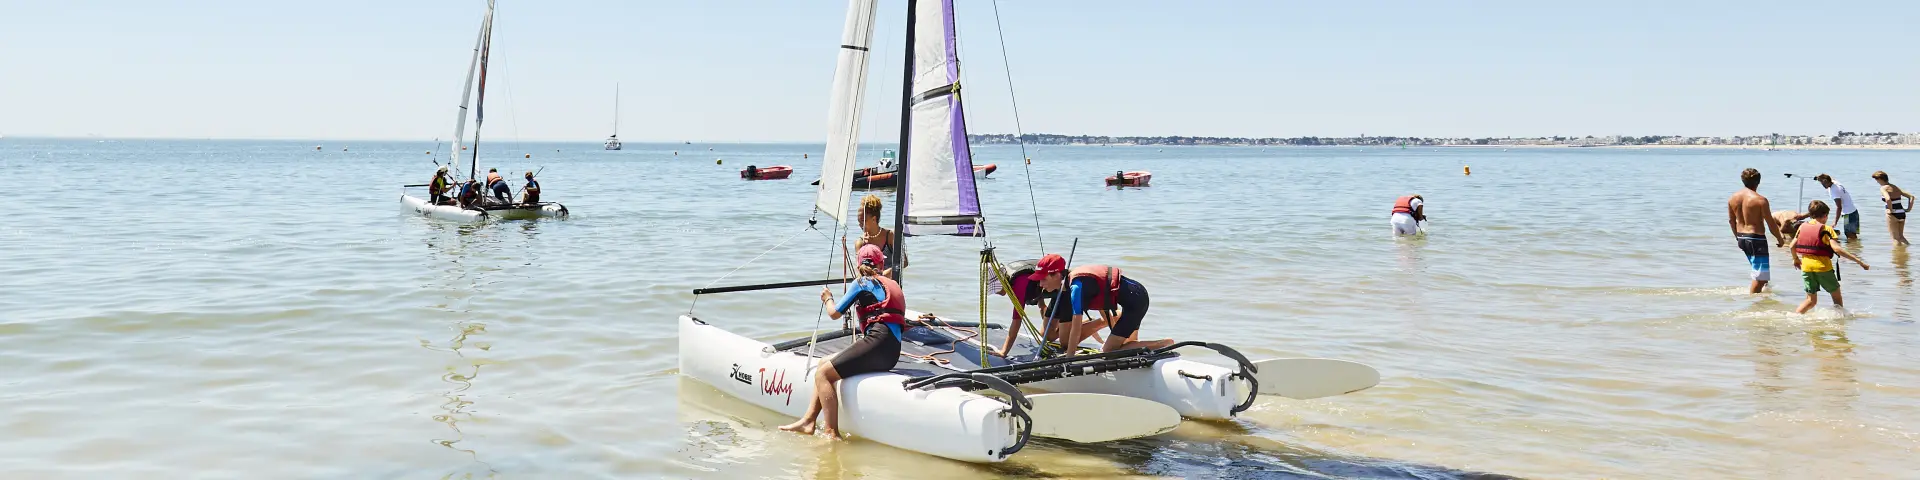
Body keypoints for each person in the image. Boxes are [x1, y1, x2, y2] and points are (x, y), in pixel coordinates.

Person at [779, 245, 905, 439]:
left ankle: (831, 433)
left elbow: (834, 313)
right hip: (892, 353)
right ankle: (808, 420)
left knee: (823, 375)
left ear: (858, 264)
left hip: (877, 343)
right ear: (881, 264)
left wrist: (827, 298)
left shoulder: (861, 282)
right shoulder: (892, 284)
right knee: (823, 363)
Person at [1028, 254, 1173, 356]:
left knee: (1108, 351)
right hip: (1136, 295)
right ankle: (1151, 346)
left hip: (1135, 302)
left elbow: (1076, 328)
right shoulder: (1072, 282)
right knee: (1127, 345)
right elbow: (1103, 295)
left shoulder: (1076, 288)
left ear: (1057, 275)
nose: (1040, 284)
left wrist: (1069, 357)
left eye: (1043, 279)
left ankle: (1164, 343)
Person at [1792, 200, 1870, 314]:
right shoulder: (1827, 229)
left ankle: (1795, 317)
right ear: (1825, 215)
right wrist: (1859, 261)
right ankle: (1840, 319)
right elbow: (1837, 249)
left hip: (1806, 268)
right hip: (1822, 268)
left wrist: (1795, 259)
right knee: (1836, 297)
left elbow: (1791, 246)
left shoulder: (1802, 227)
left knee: (1811, 301)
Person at [988, 258, 1075, 357]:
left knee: (1065, 342)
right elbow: (1036, 285)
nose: (996, 293)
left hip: (1065, 289)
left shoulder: (1019, 284)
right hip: (1054, 290)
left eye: (996, 289)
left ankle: (1080, 325)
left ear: (1003, 281)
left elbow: (1017, 319)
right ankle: (1070, 326)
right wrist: (1042, 307)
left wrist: (1004, 352)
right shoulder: (1011, 276)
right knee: (1047, 336)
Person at [1727, 169, 1783, 293]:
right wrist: (1780, 238)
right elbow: (1771, 223)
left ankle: (1764, 298)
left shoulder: (1732, 198)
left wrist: (1737, 237)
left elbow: (1731, 221)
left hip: (1742, 237)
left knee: (1761, 274)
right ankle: (1753, 301)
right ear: (1758, 182)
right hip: (1756, 239)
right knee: (1761, 278)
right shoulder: (1760, 200)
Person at [853, 194, 902, 276]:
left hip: (891, 282)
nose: (860, 224)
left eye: (863, 221)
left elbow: (904, 262)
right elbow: (859, 270)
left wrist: (885, 274)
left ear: (874, 219)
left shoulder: (890, 236)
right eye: (859, 221)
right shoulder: (860, 243)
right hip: (870, 283)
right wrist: (865, 249)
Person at [1815, 174, 1861, 241]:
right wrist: (1818, 177)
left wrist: (1835, 222)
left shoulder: (1834, 191)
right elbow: (1830, 178)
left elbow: (1839, 207)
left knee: (1849, 234)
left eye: (1822, 183)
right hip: (1853, 212)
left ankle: (1853, 247)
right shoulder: (1835, 182)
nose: (1822, 185)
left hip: (1848, 214)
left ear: (1825, 181)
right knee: (1851, 234)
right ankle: (1855, 246)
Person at [1874, 171, 1913, 245]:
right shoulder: (1895, 187)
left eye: (1877, 180)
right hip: (1902, 213)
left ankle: (1896, 252)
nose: (1877, 182)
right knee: (1901, 237)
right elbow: (1911, 197)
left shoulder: (1883, 188)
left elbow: (1888, 199)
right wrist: (1908, 209)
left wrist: (1891, 210)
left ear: (1880, 179)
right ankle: (1909, 250)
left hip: (1893, 214)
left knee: (1895, 238)